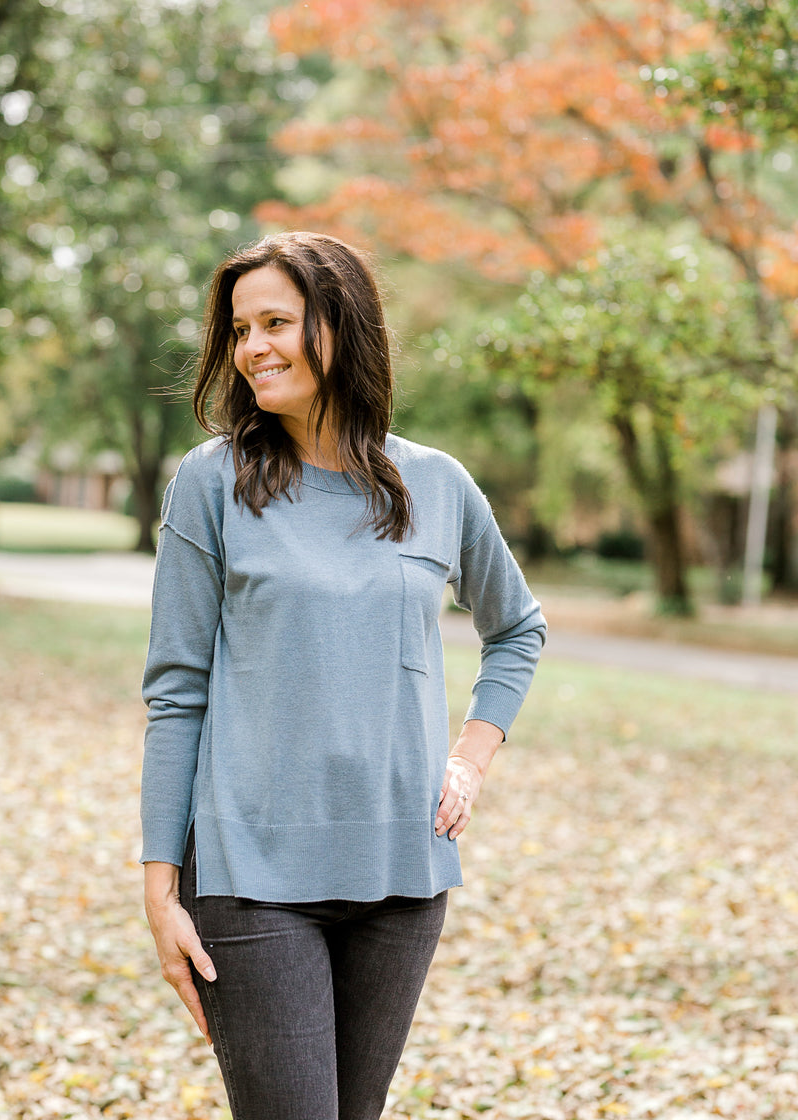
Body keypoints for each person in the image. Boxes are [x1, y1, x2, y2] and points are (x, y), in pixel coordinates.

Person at [140, 230, 547, 1120]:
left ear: (341, 325)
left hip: (403, 872)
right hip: (250, 874)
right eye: (241, 329)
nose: (252, 348)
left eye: (277, 321)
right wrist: (159, 882)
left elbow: (516, 629)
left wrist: (470, 759)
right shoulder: (214, 482)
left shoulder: (438, 484)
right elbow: (176, 691)